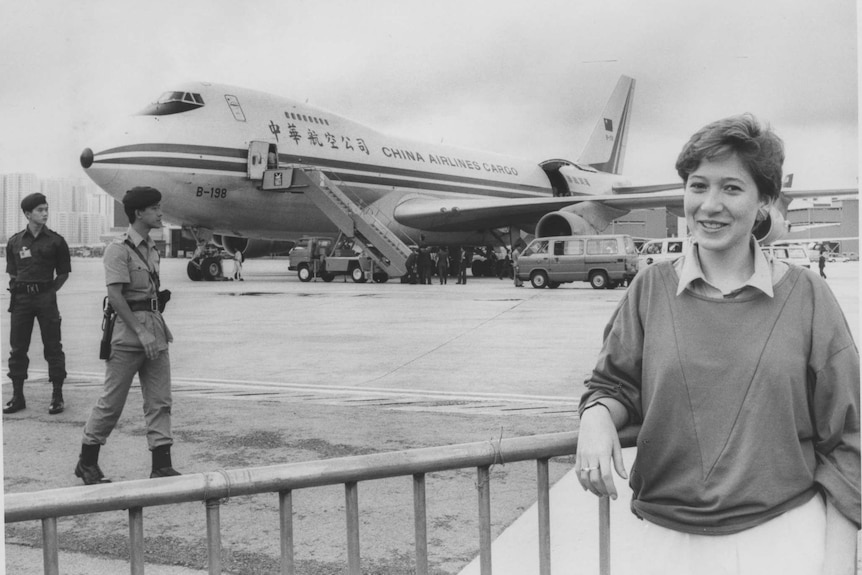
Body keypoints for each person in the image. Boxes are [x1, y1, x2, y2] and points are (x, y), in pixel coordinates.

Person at [575, 114, 859, 575]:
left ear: (764, 200)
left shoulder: (809, 297)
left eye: (731, 188)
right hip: (666, 545)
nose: (710, 205)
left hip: (784, 541)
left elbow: (847, 438)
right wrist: (595, 416)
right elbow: (613, 384)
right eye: (698, 185)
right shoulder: (650, 289)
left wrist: (839, 563)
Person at [76, 187, 181, 485]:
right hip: (127, 335)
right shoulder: (117, 249)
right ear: (138, 213)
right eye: (155, 208)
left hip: (157, 331)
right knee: (112, 402)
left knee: (160, 400)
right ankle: (87, 461)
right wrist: (140, 332)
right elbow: (115, 295)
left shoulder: (152, 248)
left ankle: (161, 463)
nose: (161, 213)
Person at [5, 193, 71, 415]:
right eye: (40, 210)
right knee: (18, 348)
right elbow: (13, 273)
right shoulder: (14, 242)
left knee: (53, 346)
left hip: (46, 298)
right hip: (21, 299)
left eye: (46, 209)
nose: (45, 213)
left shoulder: (56, 241)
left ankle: (57, 396)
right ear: (27, 214)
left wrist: (49, 291)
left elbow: (63, 274)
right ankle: (18, 396)